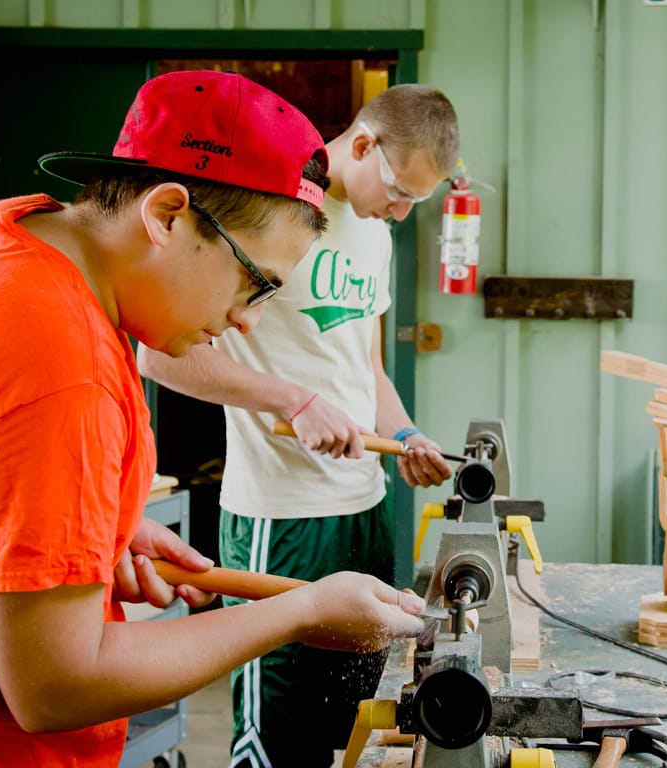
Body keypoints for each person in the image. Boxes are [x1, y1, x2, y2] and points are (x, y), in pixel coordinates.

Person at [0, 70, 427, 767]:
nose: (248, 318)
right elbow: (57, 684)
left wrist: (97, 524)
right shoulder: (58, 367)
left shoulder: (2, 237)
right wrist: (298, 613)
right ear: (167, 215)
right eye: (255, 282)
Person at [139, 83, 460, 767]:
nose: (401, 213)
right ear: (365, 144)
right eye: (399, 190)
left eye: (417, 203)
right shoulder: (274, 208)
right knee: (276, 738)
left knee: (353, 728)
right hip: (279, 518)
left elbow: (363, 365)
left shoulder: (377, 236)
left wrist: (403, 436)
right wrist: (290, 399)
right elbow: (162, 355)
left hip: (363, 509)